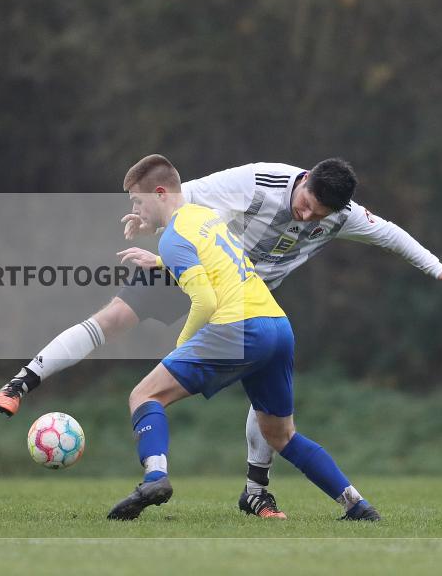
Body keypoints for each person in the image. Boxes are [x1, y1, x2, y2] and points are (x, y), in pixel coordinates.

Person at [0, 157, 442, 519]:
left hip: (239, 298)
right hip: (194, 269)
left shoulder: (341, 215)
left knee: (215, 398)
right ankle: (23, 381)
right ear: (303, 180)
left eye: (319, 214)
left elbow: (389, 234)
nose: (308, 217)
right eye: (306, 204)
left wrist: (437, 268)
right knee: (114, 318)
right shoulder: (260, 180)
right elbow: (181, 194)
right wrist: (150, 217)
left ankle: (252, 489)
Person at [106, 154, 380, 522]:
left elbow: (205, 301)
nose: (136, 211)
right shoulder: (206, 218)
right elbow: (220, 259)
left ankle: (155, 478)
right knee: (281, 435)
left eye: (137, 201)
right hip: (276, 325)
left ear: (159, 194)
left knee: (144, 395)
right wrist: (158, 262)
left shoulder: (172, 237)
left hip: (239, 328)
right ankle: (357, 505)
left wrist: (182, 345)